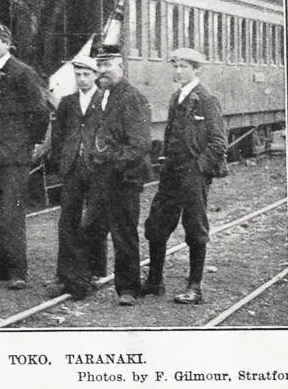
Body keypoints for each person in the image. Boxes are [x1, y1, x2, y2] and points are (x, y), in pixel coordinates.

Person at [142, 48, 227, 305]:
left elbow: (218, 142)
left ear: (196, 70)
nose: (178, 71)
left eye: (184, 67)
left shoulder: (206, 99)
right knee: (156, 225)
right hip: (171, 173)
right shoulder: (176, 97)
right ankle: (155, 282)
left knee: (195, 228)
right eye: (175, 66)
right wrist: (165, 159)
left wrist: (198, 169)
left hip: (193, 174)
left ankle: (195, 287)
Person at [0, 23, 49, 290]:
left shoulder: (22, 73)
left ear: (8, 44)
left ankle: (18, 271)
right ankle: (3, 266)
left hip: (12, 156)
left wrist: (30, 143)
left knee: (11, 212)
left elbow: (39, 112)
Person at [85, 44, 152, 306]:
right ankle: (92, 274)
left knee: (123, 233)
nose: (102, 71)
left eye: (107, 65)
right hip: (102, 176)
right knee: (91, 227)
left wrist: (110, 162)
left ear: (121, 66)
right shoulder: (103, 95)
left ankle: (128, 288)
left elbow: (139, 144)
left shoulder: (131, 97)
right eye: (99, 66)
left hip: (124, 178)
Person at [45, 55, 106, 299]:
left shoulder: (104, 100)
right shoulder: (67, 103)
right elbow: (59, 135)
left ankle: (94, 270)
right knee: (68, 220)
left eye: (86, 75)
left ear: (95, 76)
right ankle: (65, 273)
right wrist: (62, 160)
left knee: (94, 220)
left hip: (96, 167)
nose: (82, 79)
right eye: (78, 75)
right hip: (72, 168)